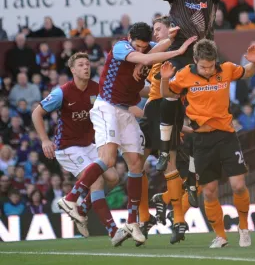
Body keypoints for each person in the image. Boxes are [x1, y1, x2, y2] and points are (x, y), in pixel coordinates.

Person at [58, 22, 196, 246]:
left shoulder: (147, 46)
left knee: (135, 164)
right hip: (107, 107)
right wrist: (177, 50)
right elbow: (147, 59)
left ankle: (133, 222)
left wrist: (171, 39)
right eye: (138, 46)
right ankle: (71, 198)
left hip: (125, 111)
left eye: (144, 46)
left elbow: (154, 48)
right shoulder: (121, 47)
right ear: (129, 37)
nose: (141, 49)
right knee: (109, 159)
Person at [160, 39, 255, 248]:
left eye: (211, 65)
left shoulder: (226, 69)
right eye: (203, 66)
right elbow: (167, 93)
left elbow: (248, 71)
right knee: (209, 191)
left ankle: (243, 228)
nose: (207, 70)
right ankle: (221, 236)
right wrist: (164, 79)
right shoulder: (185, 75)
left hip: (227, 136)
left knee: (238, 185)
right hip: (201, 141)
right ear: (195, 60)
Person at [32, 52, 123, 245]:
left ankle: (81, 210)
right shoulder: (62, 92)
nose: (86, 67)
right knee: (96, 180)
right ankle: (113, 231)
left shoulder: (97, 88)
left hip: (89, 145)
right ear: (73, 70)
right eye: (81, 65)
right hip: (67, 147)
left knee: (114, 178)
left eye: (88, 64)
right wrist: (44, 140)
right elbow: (36, 113)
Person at [152, 0, 224, 171]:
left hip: (202, 57)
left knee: (198, 116)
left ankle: (194, 172)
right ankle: (164, 150)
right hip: (179, 53)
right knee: (169, 96)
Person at [136, 16, 198, 245]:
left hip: (166, 110)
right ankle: (147, 216)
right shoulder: (158, 54)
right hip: (153, 110)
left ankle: (176, 218)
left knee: (179, 169)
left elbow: (172, 90)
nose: (155, 34)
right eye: (153, 29)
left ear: (170, 30)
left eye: (158, 29)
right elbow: (151, 89)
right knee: (136, 162)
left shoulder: (176, 55)